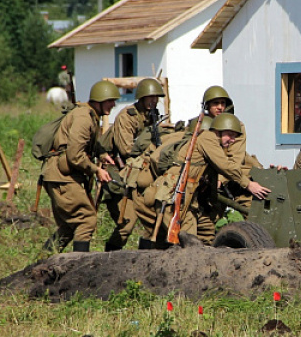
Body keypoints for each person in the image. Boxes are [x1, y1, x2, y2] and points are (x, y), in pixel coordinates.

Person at [152, 113, 270, 245]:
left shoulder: (214, 143)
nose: (232, 140)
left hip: (190, 195)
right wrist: (248, 184)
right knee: (185, 237)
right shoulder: (208, 138)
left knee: (202, 233)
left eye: (235, 136)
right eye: (230, 134)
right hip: (175, 191)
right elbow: (225, 166)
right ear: (218, 130)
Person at [40, 80, 118, 252]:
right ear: (99, 100)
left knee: (69, 226)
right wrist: (96, 170)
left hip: (59, 175)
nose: (114, 104)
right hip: (62, 176)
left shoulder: (90, 115)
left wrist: (102, 154)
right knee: (86, 220)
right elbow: (74, 154)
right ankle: (79, 268)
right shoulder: (84, 118)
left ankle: (40, 267)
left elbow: (87, 143)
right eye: (110, 100)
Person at [101, 78, 165, 251]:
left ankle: (145, 259)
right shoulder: (127, 116)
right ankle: (109, 258)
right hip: (118, 173)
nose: (153, 101)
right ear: (142, 97)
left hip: (139, 175)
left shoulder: (152, 117)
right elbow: (126, 150)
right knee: (126, 224)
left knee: (154, 223)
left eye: (156, 97)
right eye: (150, 97)